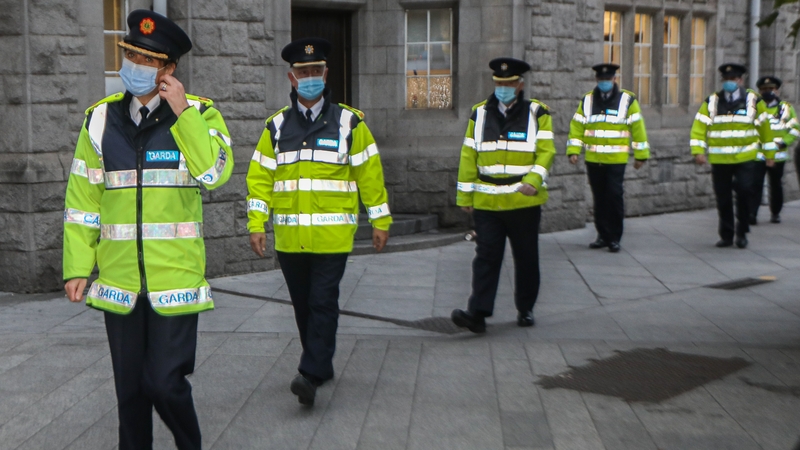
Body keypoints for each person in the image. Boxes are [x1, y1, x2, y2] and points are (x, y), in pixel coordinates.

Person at [62, 10, 234, 450]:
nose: (136, 66)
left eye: (149, 59)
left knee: (164, 382)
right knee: (130, 392)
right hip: (119, 279)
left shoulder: (201, 115)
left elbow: (214, 174)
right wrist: (77, 266)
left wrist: (183, 114)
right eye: (131, 56)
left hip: (174, 277)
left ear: (169, 69)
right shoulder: (100, 119)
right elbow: (83, 200)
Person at [246, 37, 392, 406]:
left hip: (332, 236)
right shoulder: (276, 127)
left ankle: (310, 372)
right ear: (292, 78)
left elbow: (369, 175)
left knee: (322, 301)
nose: (310, 76)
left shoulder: (349, 123)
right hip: (290, 238)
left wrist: (380, 220)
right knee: (303, 305)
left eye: (316, 70)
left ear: (325, 75)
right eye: (303, 71)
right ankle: (321, 364)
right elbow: (259, 179)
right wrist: (256, 223)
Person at [450, 57, 555, 333]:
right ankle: (477, 314)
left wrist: (534, 180)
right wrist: (465, 196)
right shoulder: (479, 113)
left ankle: (525, 308)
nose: (503, 88)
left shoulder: (537, 113)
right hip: (488, 202)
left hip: (523, 201)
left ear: (520, 85)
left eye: (508, 84)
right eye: (498, 83)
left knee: (526, 257)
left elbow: (546, 153)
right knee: (486, 257)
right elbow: (468, 156)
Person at [566, 64, 650, 253]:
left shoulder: (627, 100)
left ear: (614, 79)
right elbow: (577, 126)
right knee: (599, 198)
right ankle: (602, 235)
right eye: (601, 79)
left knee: (614, 196)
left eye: (608, 79)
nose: (604, 82)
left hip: (616, 159)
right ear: (597, 80)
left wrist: (641, 155)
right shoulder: (588, 100)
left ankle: (614, 237)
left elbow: (638, 128)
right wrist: (573, 150)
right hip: (594, 159)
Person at [690, 63, 772, 248]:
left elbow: (765, 129)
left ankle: (742, 231)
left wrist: (770, 154)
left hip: (745, 157)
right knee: (723, 197)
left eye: (733, 79)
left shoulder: (753, 100)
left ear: (740, 80)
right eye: (726, 79)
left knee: (744, 191)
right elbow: (699, 127)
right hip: (720, 159)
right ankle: (726, 234)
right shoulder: (712, 101)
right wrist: (698, 151)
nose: (729, 82)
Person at [749, 76, 798, 224]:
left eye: (771, 89)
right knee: (755, 184)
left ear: (777, 91)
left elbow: (795, 129)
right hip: (759, 154)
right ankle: (752, 214)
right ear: (759, 91)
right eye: (764, 89)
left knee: (776, 185)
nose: (768, 92)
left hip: (778, 154)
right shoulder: (754, 108)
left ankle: (775, 212)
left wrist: (784, 142)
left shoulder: (785, 108)